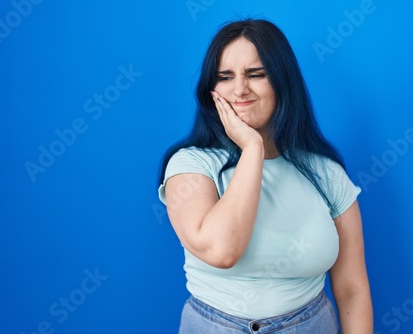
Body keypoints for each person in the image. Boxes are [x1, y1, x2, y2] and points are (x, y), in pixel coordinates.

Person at [158, 18, 373, 333]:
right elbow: (222, 251)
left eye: (255, 74)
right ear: (211, 90)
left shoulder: (327, 173)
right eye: (225, 77)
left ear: (282, 82)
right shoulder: (190, 166)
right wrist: (252, 148)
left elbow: (352, 288)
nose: (240, 89)